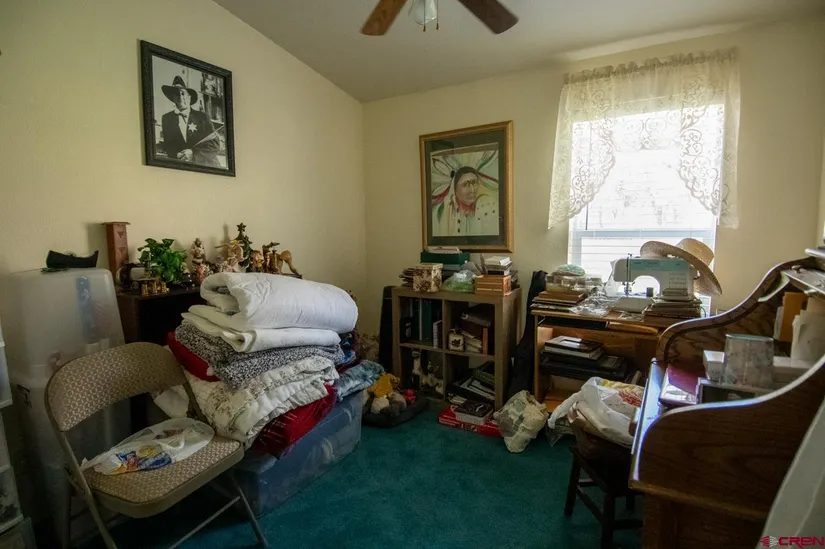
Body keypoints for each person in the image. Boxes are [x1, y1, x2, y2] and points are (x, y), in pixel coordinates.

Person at [159, 76, 221, 167]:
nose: (181, 97)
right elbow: (169, 146)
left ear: (189, 97)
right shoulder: (167, 119)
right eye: (176, 94)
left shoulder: (202, 117)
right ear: (172, 98)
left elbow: (215, 145)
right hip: (182, 167)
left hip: (206, 166)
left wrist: (193, 154)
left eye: (183, 93)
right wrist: (176, 154)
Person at [431, 166, 500, 237]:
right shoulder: (441, 213)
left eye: (474, 183)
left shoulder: (487, 206)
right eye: (466, 184)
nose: (472, 190)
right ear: (454, 188)